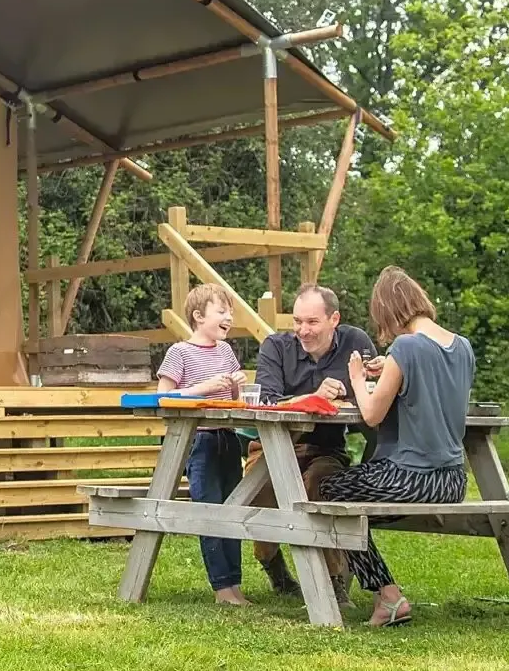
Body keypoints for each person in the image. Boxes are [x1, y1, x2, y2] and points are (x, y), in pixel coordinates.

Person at [320, 266, 476, 627]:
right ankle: (378, 593)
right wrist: (388, 369)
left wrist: (359, 378)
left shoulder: (405, 346)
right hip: (452, 481)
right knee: (349, 503)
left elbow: (372, 414)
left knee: (329, 493)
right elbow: (428, 391)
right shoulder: (462, 347)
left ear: (388, 311)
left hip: (412, 478)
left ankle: (387, 595)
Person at [248, 283, 377, 599]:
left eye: (312, 322)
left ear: (334, 319)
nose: (302, 330)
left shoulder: (356, 342)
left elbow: (378, 393)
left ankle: (335, 581)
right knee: (260, 486)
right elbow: (266, 403)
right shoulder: (275, 347)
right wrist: (312, 398)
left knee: (322, 484)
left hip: (326, 448)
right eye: (297, 321)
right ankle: (274, 568)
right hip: (273, 443)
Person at [155, 284, 250, 606]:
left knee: (233, 509)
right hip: (199, 441)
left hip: (228, 437)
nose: (229, 318)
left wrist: (237, 387)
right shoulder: (179, 353)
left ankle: (235, 585)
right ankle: (222, 587)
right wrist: (202, 388)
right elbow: (163, 397)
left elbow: (232, 401)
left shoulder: (226, 352)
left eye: (230, 312)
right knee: (209, 511)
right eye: (221, 311)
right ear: (198, 316)